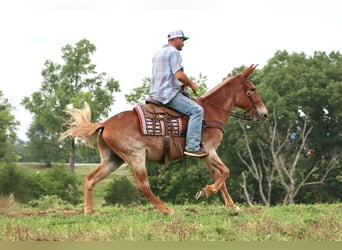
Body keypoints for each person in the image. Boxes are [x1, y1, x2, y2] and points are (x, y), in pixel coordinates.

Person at [149, 30, 207, 158]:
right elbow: (179, 74)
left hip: (154, 93)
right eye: (182, 40)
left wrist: (179, 85)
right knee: (197, 110)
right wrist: (191, 84)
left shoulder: (158, 54)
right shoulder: (173, 52)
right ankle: (192, 146)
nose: (183, 44)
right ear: (176, 39)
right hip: (167, 95)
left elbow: (165, 76)